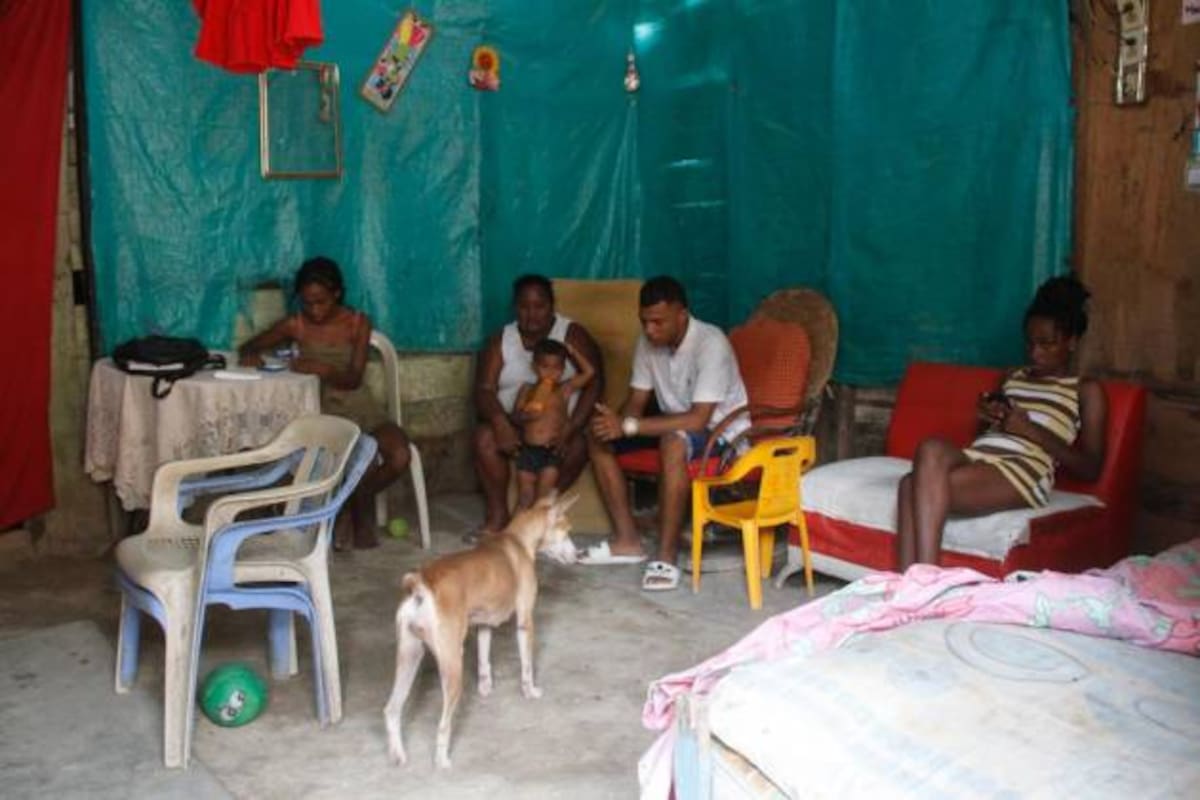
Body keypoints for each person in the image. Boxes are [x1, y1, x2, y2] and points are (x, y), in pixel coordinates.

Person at [896, 274, 1108, 568]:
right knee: (929, 449)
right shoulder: (1012, 376)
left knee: (911, 486)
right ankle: (916, 583)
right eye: (1030, 343)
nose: (1035, 353)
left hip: (1023, 471)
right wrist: (988, 419)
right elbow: (990, 436)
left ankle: (921, 579)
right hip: (982, 457)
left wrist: (1029, 429)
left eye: (1046, 344)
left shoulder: (1085, 389)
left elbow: (1090, 467)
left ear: (1072, 341)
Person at [582, 276, 749, 592]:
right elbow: (636, 401)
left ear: (682, 315)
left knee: (674, 442)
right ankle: (627, 541)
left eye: (658, 322)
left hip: (721, 433)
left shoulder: (711, 344)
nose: (649, 330)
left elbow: (698, 420)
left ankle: (666, 556)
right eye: (644, 321)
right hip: (674, 424)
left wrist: (628, 426)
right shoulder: (648, 343)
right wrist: (613, 424)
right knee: (598, 436)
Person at [238, 256, 412, 550]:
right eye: (307, 303)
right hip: (325, 411)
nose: (315, 310)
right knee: (365, 458)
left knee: (400, 455)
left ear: (337, 294)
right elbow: (248, 347)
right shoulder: (296, 325)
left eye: (321, 302)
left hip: (360, 405)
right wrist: (258, 358)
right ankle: (358, 523)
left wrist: (324, 369)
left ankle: (345, 505)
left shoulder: (357, 323)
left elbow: (353, 378)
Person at [473, 274, 604, 539]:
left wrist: (571, 427)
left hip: (559, 432)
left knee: (580, 444)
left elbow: (595, 381)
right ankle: (498, 516)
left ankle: (541, 512)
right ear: (515, 307)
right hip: (517, 428)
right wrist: (501, 423)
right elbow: (484, 389)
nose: (531, 314)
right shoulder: (502, 340)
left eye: (539, 306)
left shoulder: (571, 334)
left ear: (552, 306)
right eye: (524, 306)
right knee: (484, 438)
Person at [512, 339, 596, 510]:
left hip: (550, 451)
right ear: (534, 367)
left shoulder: (564, 389)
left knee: (542, 499)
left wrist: (572, 352)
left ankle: (539, 526)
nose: (551, 372)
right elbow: (515, 416)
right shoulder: (526, 389)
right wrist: (526, 415)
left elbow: (590, 372)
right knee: (524, 498)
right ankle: (517, 527)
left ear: (563, 369)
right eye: (545, 367)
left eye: (557, 368)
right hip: (527, 450)